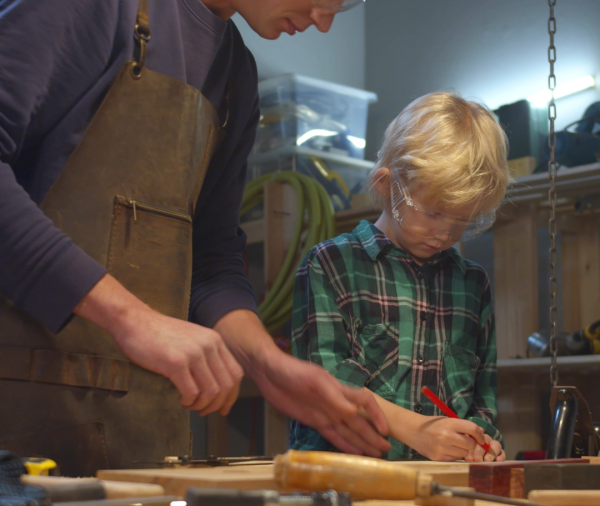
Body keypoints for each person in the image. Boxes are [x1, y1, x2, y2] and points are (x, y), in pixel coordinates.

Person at [0, 0, 390, 476]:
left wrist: (266, 363)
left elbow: (210, 257)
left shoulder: (234, 76)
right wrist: (130, 319)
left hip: (136, 447)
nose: (324, 22)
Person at [290, 91, 509, 462]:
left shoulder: (472, 285)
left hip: (440, 490)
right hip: (340, 483)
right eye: (434, 213)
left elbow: (482, 402)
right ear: (386, 185)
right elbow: (322, 385)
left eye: (463, 220)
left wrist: (479, 444)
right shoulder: (331, 264)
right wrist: (418, 432)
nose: (446, 234)